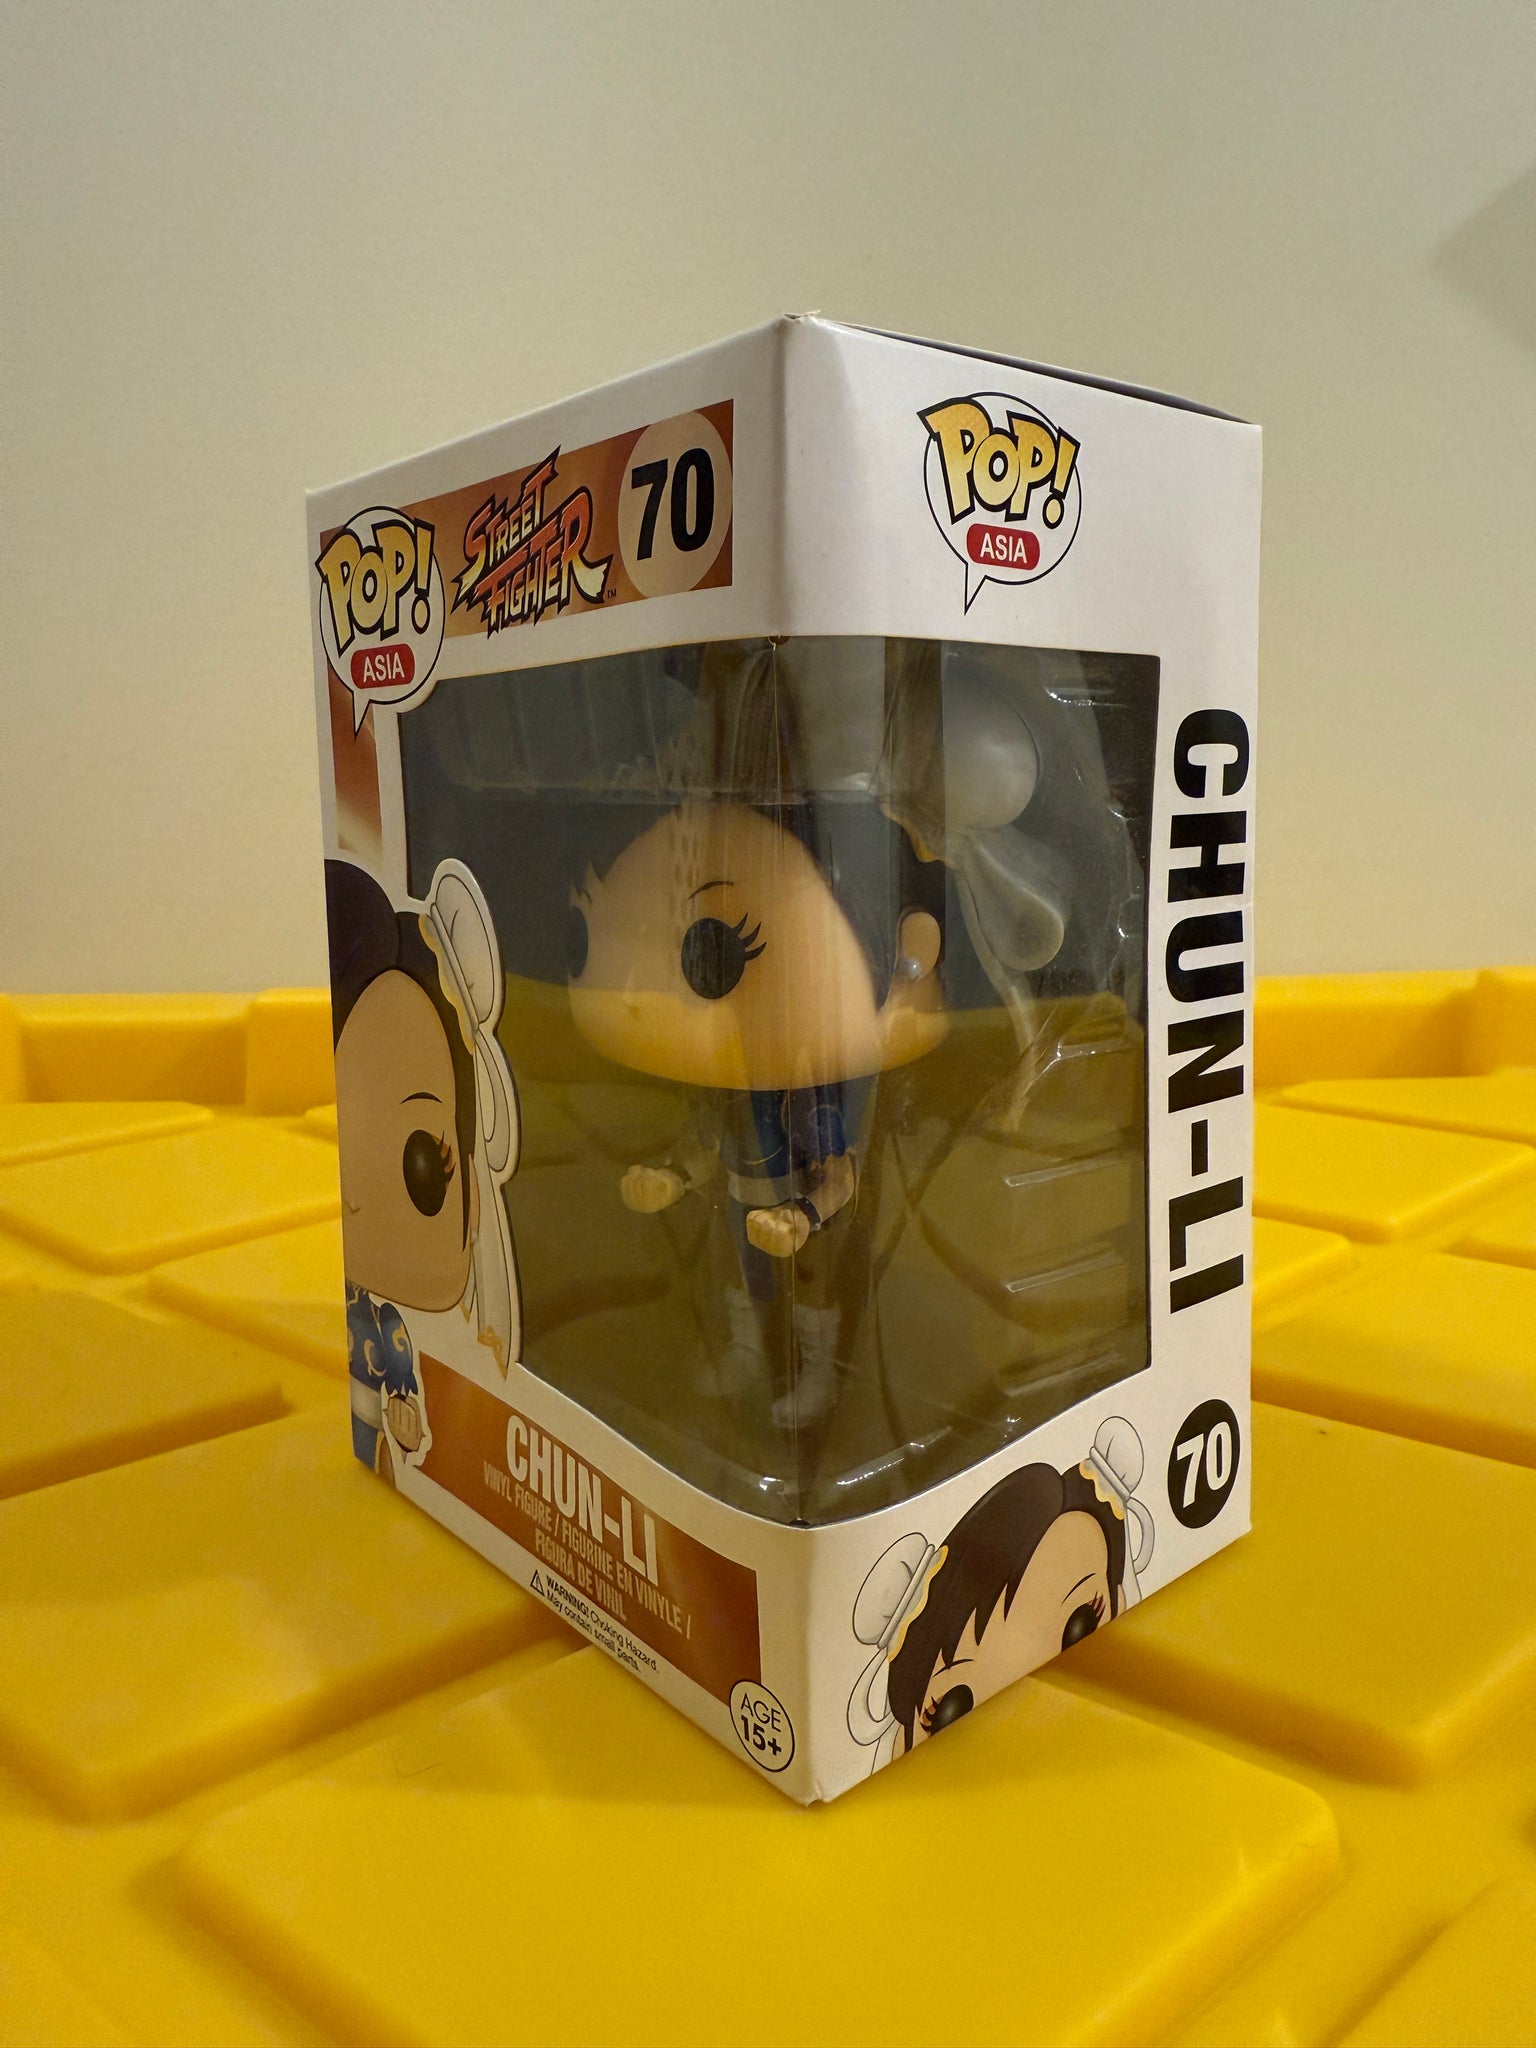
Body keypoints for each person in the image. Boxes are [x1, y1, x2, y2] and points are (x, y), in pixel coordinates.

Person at [326, 856, 520, 1478]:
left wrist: (407, 1417)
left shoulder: (395, 1330)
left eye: (425, 1162)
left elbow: (404, 1383)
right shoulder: (358, 1304)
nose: (356, 1198)